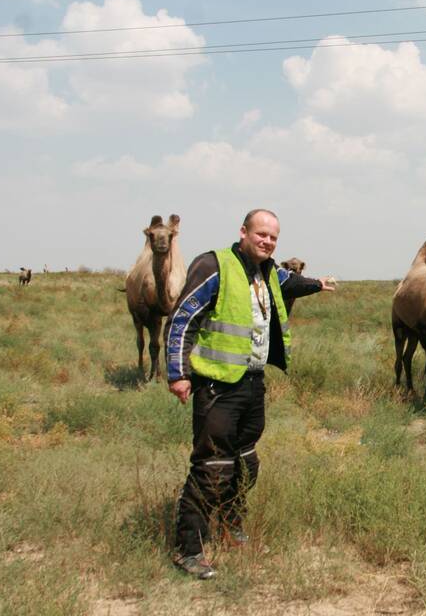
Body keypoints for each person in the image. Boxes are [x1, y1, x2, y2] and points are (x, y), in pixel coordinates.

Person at [164, 208, 335, 579]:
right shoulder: (214, 265)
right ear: (243, 232)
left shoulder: (270, 270)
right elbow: (183, 318)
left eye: (273, 237)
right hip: (217, 385)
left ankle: (229, 525)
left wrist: (317, 284)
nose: (267, 241)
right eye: (261, 234)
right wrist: (178, 373)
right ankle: (188, 549)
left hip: (252, 383)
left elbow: (290, 283)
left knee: (245, 463)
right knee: (213, 466)